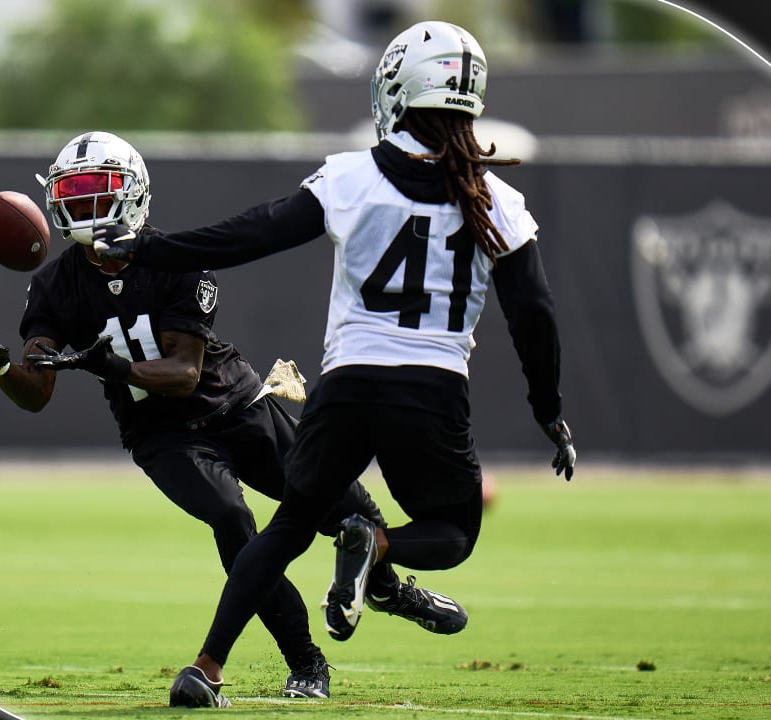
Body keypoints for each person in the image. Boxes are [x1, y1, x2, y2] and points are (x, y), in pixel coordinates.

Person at [92, 21, 577, 708]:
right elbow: (535, 313)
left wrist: (149, 248)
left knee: (290, 525)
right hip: (433, 391)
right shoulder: (497, 199)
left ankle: (205, 666)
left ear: (400, 90)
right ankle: (378, 550)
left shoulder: (352, 174)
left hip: (347, 387)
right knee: (453, 533)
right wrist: (549, 410)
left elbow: (252, 234)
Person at [0, 131, 466, 702]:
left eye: (98, 191)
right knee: (231, 519)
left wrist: (109, 365)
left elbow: (184, 374)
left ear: (132, 196)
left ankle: (388, 589)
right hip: (160, 434)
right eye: (73, 191)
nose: (83, 204)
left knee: (341, 505)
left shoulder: (175, 259)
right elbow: (38, 388)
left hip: (234, 405)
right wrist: (2, 365)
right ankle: (306, 660)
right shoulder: (54, 284)